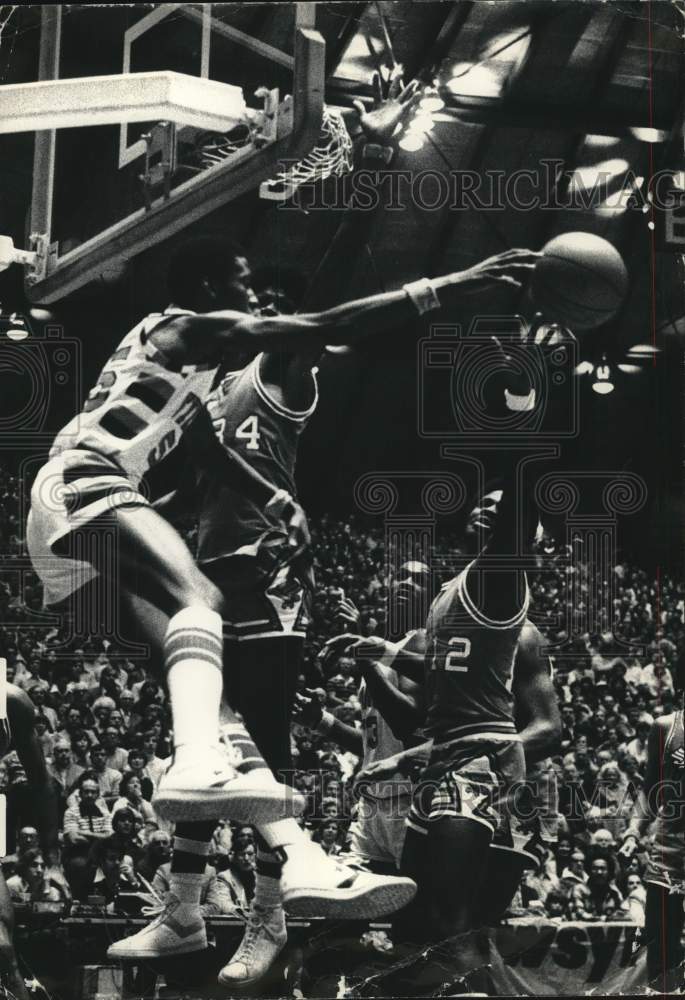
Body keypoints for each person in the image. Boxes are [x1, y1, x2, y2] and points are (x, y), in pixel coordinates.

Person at [619, 700, 685, 991]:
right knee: (663, 962)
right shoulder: (666, 727)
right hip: (668, 860)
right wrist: (633, 832)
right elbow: (650, 792)